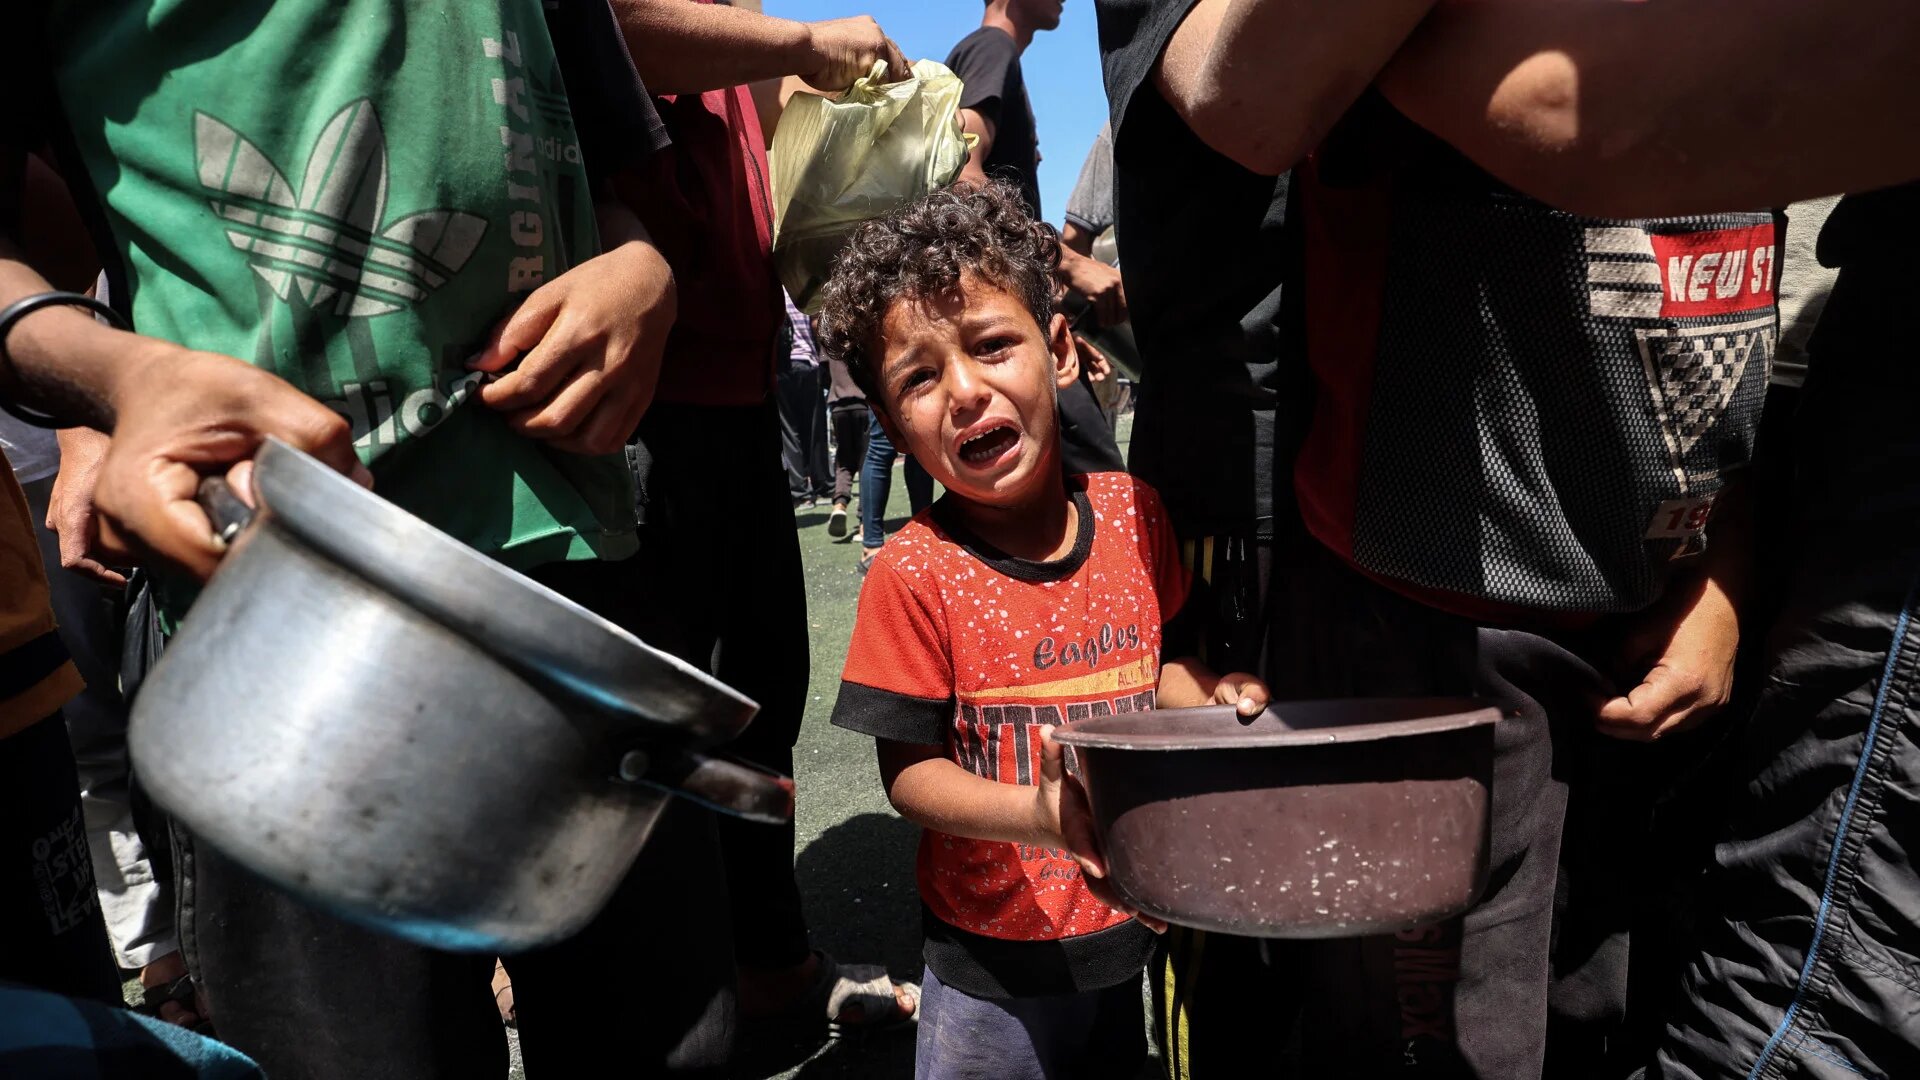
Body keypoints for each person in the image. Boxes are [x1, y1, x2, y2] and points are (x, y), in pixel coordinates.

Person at [4, 2, 748, 1076]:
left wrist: (643, 272)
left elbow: (624, 178)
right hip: (277, 623)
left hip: (585, 597)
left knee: (664, 1047)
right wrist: (117, 378)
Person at [1098, 6, 1778, 1077]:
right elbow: (1251, 99)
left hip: (1624, 559)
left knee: (1587, 987)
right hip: (1337, 524)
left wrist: (1724, 552)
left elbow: (1738, 242)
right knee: (1324, 993)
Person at [818, 181, 1271, 1079]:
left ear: (1061, 350)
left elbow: (1164, 667)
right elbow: (909, 778)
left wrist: (1213, 703)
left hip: (1127, 930)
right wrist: (1040, 815)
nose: (965, 390)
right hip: (988, 969)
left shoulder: (1136, 515)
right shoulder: (915, 570)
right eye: (919, 376)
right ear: (888, 427)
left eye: (993, 345)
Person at [609, 0, 919, 1040]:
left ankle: (772, 959)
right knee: (657, 721)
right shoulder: (740, 26)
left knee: (760, 699)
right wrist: (797, 46)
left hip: (736, 391)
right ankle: (669, 989)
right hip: (641, 401)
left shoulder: (739, 26)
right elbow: (594, 29)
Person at [947, 0, 1126, 479]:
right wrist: (1071, 264)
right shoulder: (992, 49)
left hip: (1024, 319)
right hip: (1009, 326)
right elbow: (960, 175)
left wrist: (1051, 319)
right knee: (1100, 482)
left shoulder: (985, 55)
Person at [777, 289, 832, 506]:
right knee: (815, 428)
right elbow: (816, 326)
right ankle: (823, 484)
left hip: (782, 368)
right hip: (808, 363)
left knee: (789, 432)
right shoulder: (801, 292)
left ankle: (799, 490)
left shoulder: (776, 295)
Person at [825, 337, 868, 541]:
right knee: (866, 462)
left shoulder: (829, 338)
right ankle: (864, 523)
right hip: (863, 404)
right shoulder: (860, 334)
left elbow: (824, 371)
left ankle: (839, 504)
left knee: (844, 460)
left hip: (838, 405)